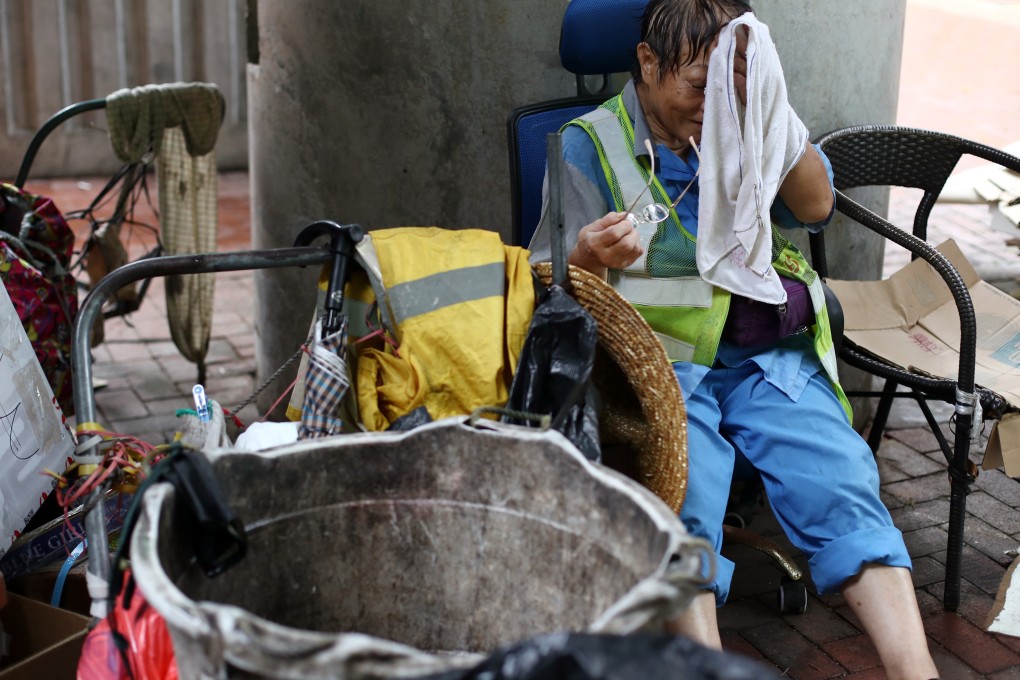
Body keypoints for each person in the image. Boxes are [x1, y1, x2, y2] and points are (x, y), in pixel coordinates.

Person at [527, 1, 939, 678]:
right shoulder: (588, 142)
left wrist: (768, 112)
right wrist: (590, 254)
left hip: (765, 356)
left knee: (840, 478)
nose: (710, 105)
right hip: (660, 369)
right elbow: (545, 281)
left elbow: (813, 208)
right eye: (698, 85)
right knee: (683, 496)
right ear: (649, 63)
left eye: (729, 86)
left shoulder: (745, 123)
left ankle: (917, 670)